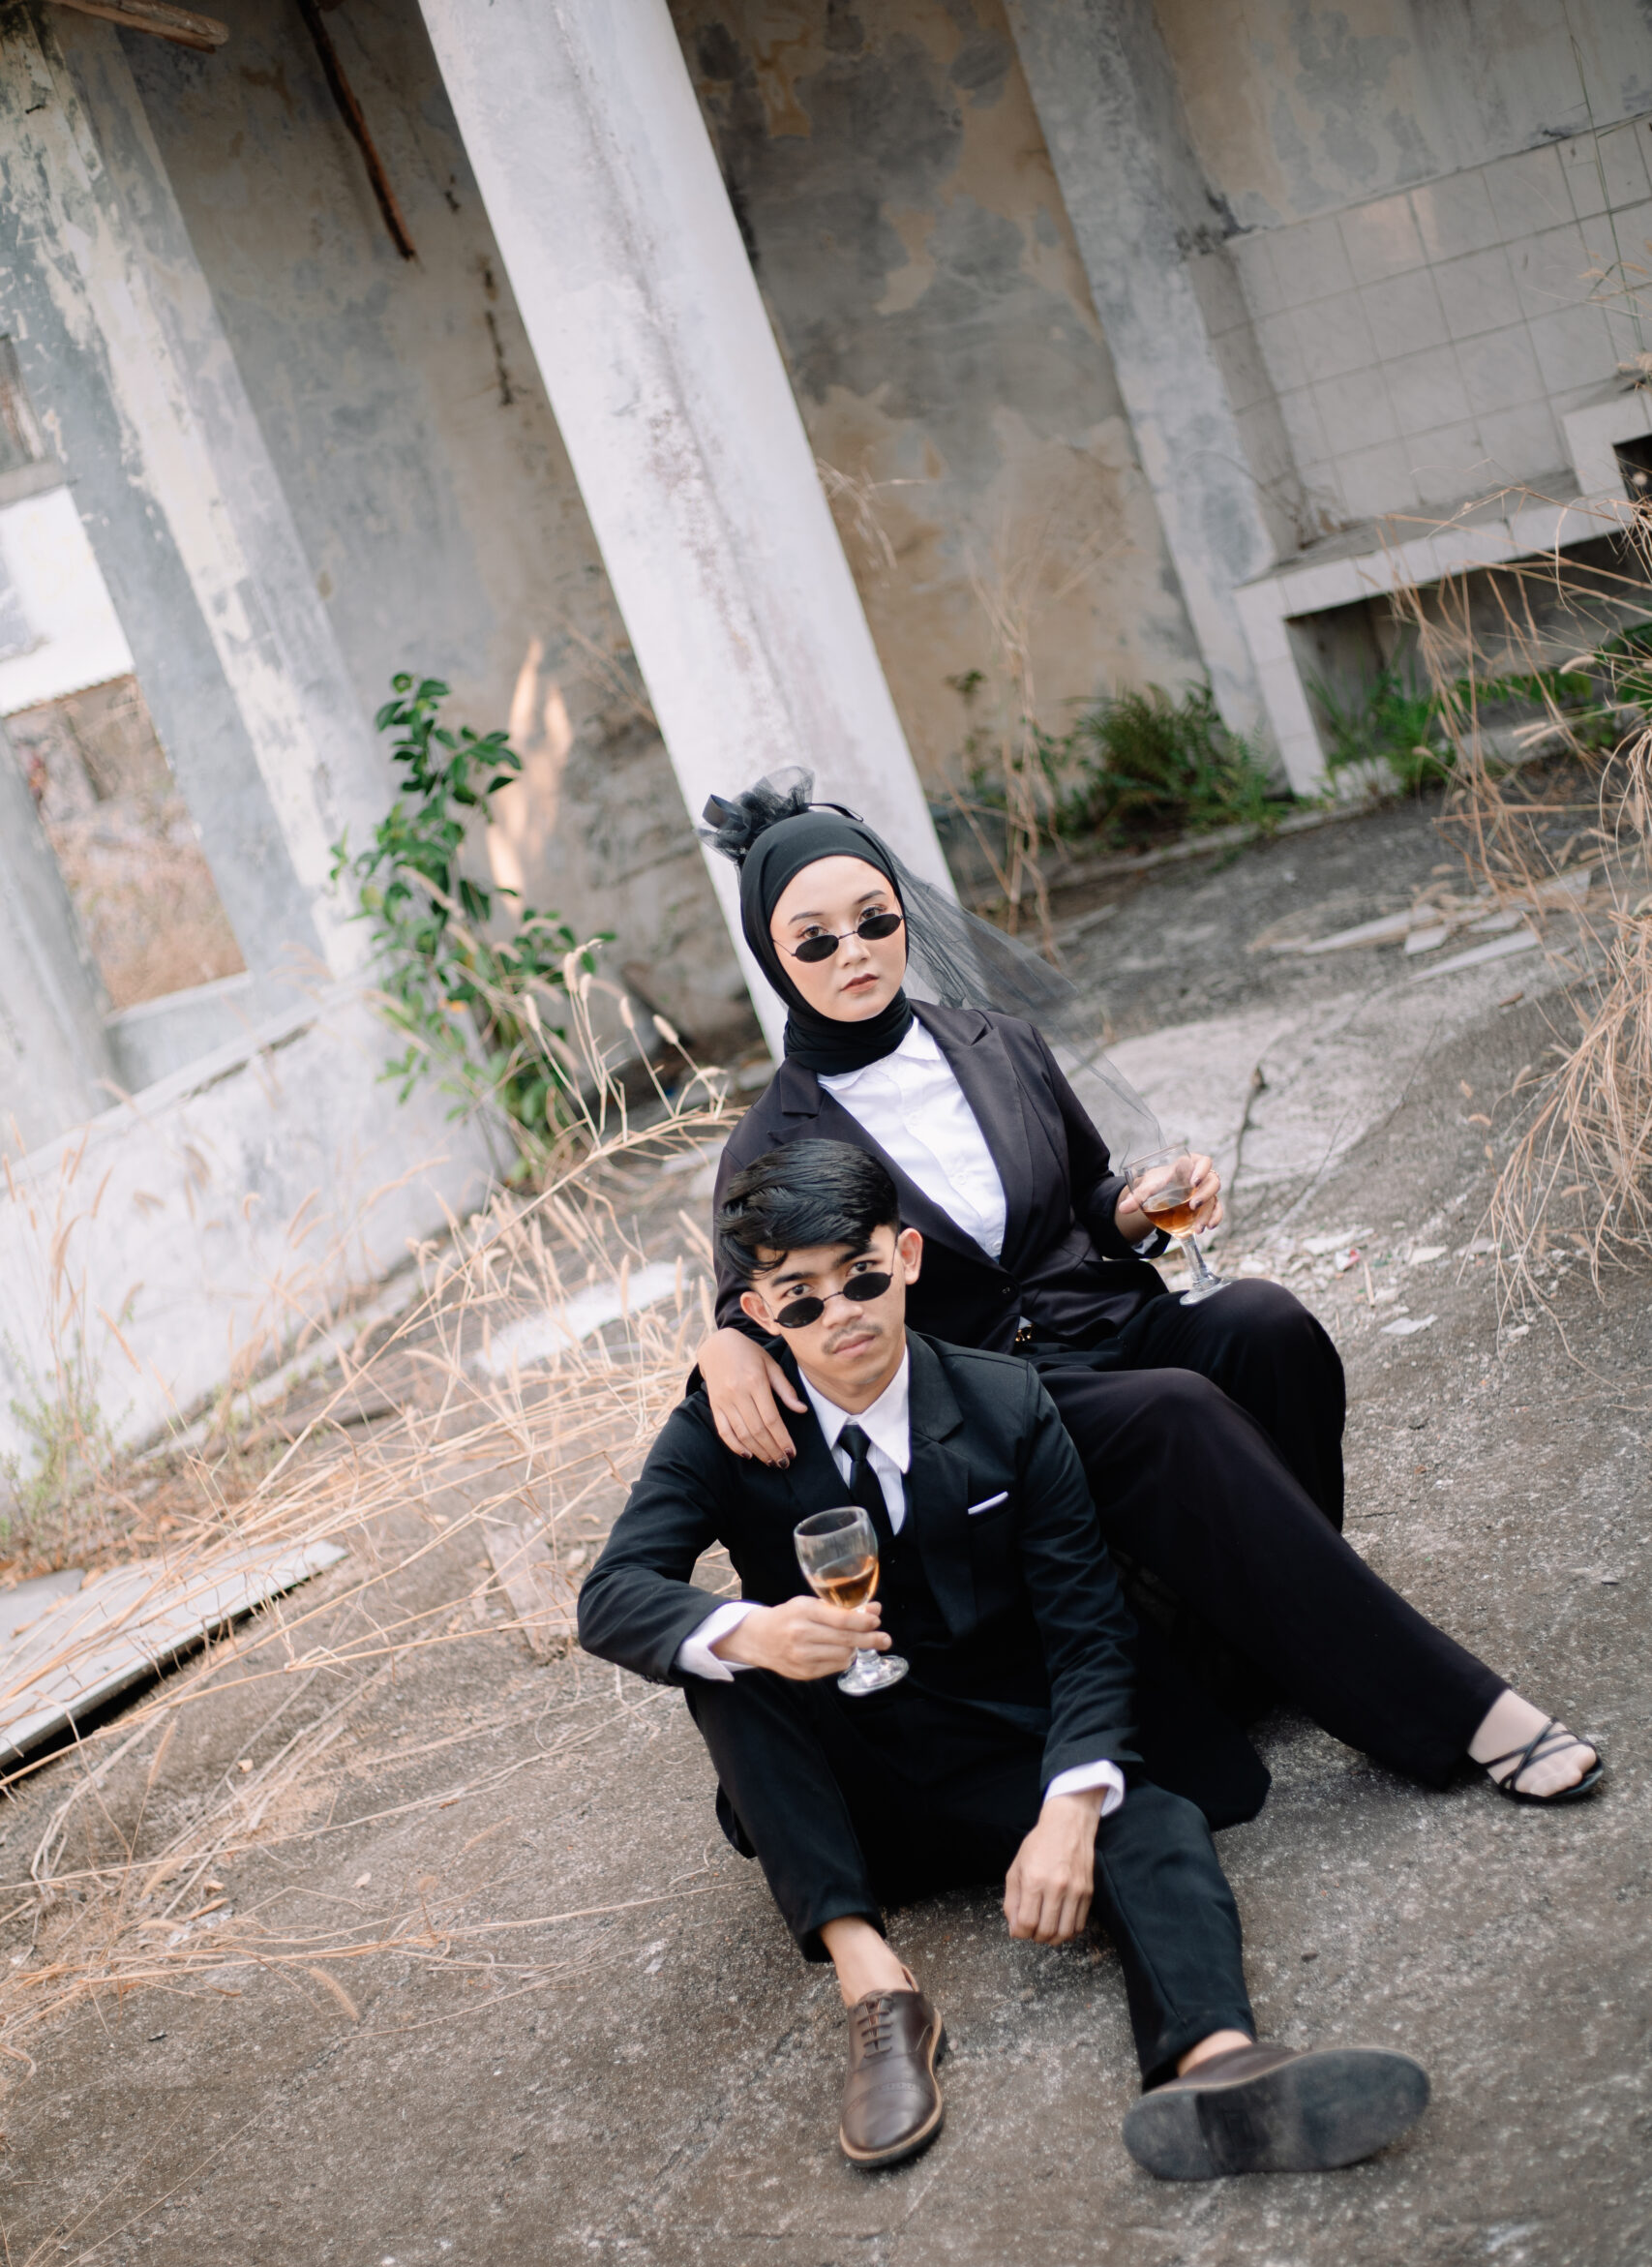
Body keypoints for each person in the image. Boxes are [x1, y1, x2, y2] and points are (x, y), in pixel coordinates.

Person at [693, 770, 1602, 1813]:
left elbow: (1089, 1195)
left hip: (1107, 1319)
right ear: (772, 954)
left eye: (873, 919)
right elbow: (759, 1304)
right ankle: (1455, 1712)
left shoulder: (998, 1044)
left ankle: (1272, 1635)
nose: (853, 950)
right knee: (1174, 1412)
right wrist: (723, 1344)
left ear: (903, 914)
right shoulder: (771, 1143)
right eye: (814, 939)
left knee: (1266, 1324)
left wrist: (1142, 1200)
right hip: (987, 1399)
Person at [578, 1142, 1430, 2178]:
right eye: (799, 1298)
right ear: (757, 1313)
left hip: (1004, 1744)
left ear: (907, 1257)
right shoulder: (723, 1431)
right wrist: (753, 1630)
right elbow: (611, 1594)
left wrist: (1067, 1816)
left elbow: (1086, 1627)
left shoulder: (1006, 1402)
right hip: (855, 1796)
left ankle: (1220, 2069)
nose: (840, 1313)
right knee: (723, 1654)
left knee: (1148, 1819)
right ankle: (876, 1990)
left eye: (862, 1276)